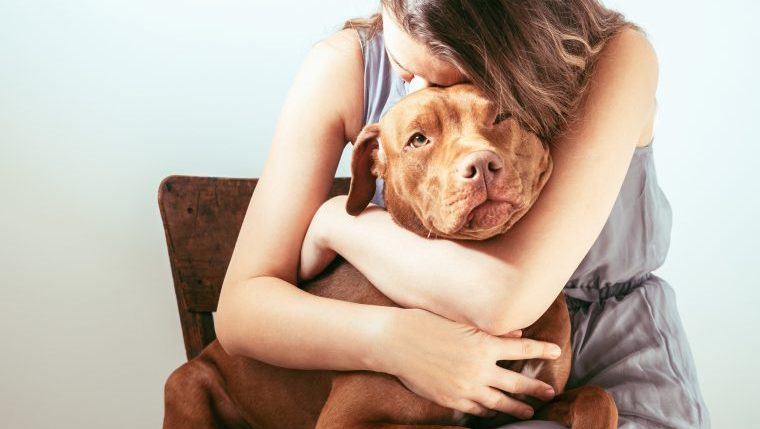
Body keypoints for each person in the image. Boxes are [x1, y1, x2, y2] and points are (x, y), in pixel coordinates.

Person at [215, 1, 710, 427]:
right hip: (419, 370)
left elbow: (503, 300)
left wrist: (337, 223)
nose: (417, 87)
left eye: (465, 77)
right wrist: (392, 341)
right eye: (410, 74)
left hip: (613, 369)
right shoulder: (344, 68)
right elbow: (241, 310)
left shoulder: (614, 57)